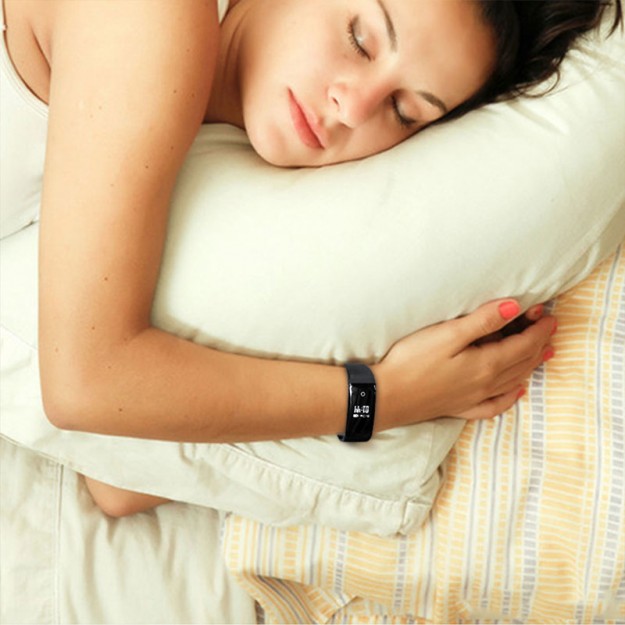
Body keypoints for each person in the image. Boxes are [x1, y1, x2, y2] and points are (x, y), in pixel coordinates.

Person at [1, 0, 621, 518]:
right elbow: (84, 385)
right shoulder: (150, 18)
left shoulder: (215, 151)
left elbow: (116, 482)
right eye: (359, 38)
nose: (353, 106)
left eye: (404, 112)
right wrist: (384, 399)